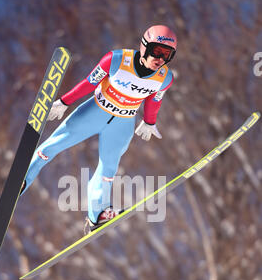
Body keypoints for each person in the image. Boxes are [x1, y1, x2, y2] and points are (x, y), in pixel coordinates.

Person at [21, 25, 177, 232]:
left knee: (108, 170)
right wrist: (65, 102)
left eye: (167, 55)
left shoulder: (164, 78)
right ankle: (22, 180)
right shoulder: (116, 60)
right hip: (96, 111)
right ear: (145, 46)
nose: (160, 59)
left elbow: (153, 101)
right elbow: (89, 83)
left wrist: (149, 122)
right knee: (54, 145)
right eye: (157, 51)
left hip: (123, 123)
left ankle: (98, 214)